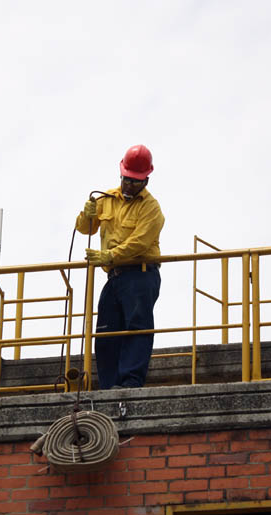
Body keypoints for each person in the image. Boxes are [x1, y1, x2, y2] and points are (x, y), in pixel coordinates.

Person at [75, 144, 165, 389]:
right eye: (126, 179)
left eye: (135, 181)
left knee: (136, 328)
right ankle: (109, 386)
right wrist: (86, 214)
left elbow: (139, 242)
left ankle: (130, 383)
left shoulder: (151, 208)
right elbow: (84, 228)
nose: (129, 185)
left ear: (146, 180)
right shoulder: (107, 199)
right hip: (114, 276)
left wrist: (110, 255)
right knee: (106, 332)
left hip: (140, 275)